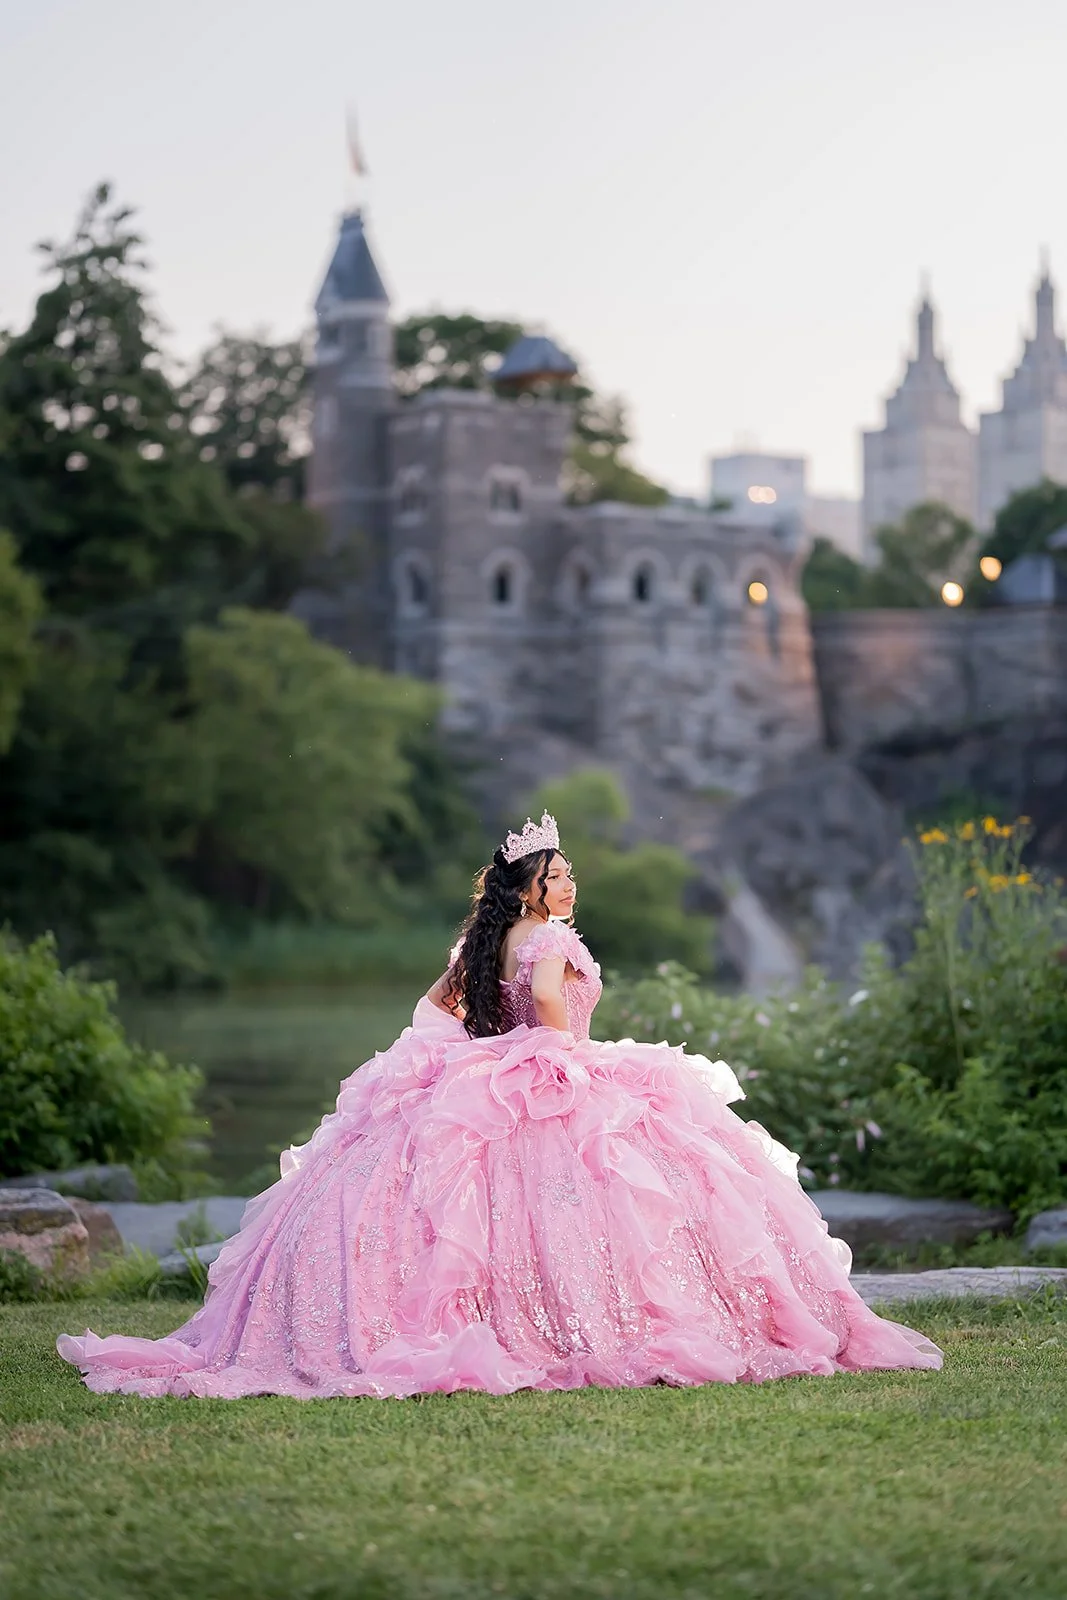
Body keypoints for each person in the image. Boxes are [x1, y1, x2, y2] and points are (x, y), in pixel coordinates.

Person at [58, 812, 941, 1398]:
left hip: (491, 1067)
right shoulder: (550, 937)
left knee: (494, 1206)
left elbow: (442, 1003)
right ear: (532, 887)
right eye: (558, 874)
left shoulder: (486, 939)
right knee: (623, 1194)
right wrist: (567, 1053)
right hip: (551, 1067)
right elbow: (554, 1009)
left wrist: (471, 1053)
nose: (569, 885)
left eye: (569, 874)